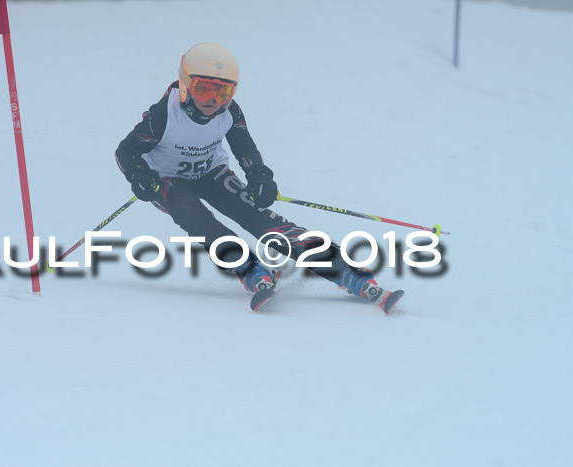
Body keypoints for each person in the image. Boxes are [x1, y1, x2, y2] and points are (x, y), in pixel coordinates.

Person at [115, 43, 403, 312]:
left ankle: (346, 272)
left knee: (261, 221)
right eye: (204, 90)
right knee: (194, 217)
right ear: (186, 85)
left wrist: (258, 176)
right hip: (167, 181)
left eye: (223, 92)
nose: (213, 101)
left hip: (210, 172)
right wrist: (140, 176)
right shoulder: (163, 116)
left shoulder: (229, 112)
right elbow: (125, 152)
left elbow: (244, 147)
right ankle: (248, 267)